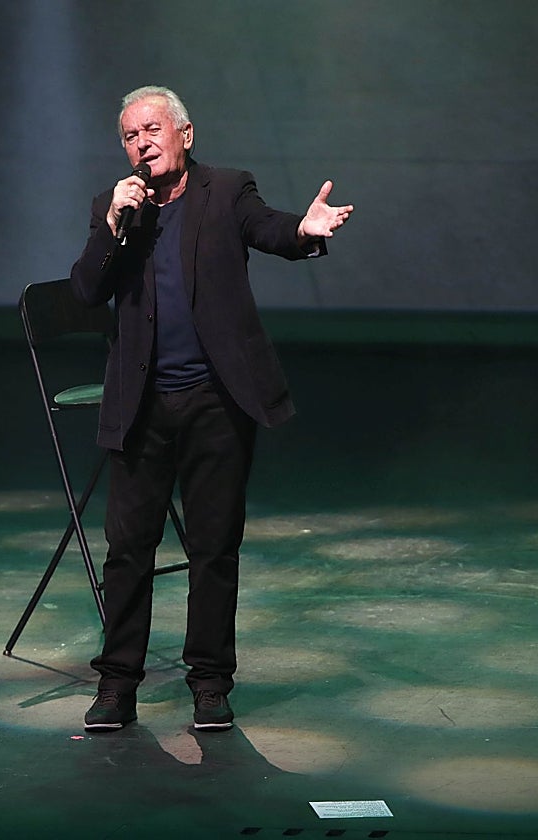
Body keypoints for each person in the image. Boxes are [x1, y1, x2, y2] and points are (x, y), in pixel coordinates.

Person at [70, 85, 353, 732]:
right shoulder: (114, 209)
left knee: (213, 547)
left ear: (184, 134)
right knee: (127, 551)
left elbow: (271, 228)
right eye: (129, 136)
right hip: (140, 406)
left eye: (152, 130)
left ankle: (210, 683)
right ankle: (116, 685)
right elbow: (87, 289)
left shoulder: (225, 190)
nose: (142, 143)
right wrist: (115, 226)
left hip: (214, 401)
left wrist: (306, 231)